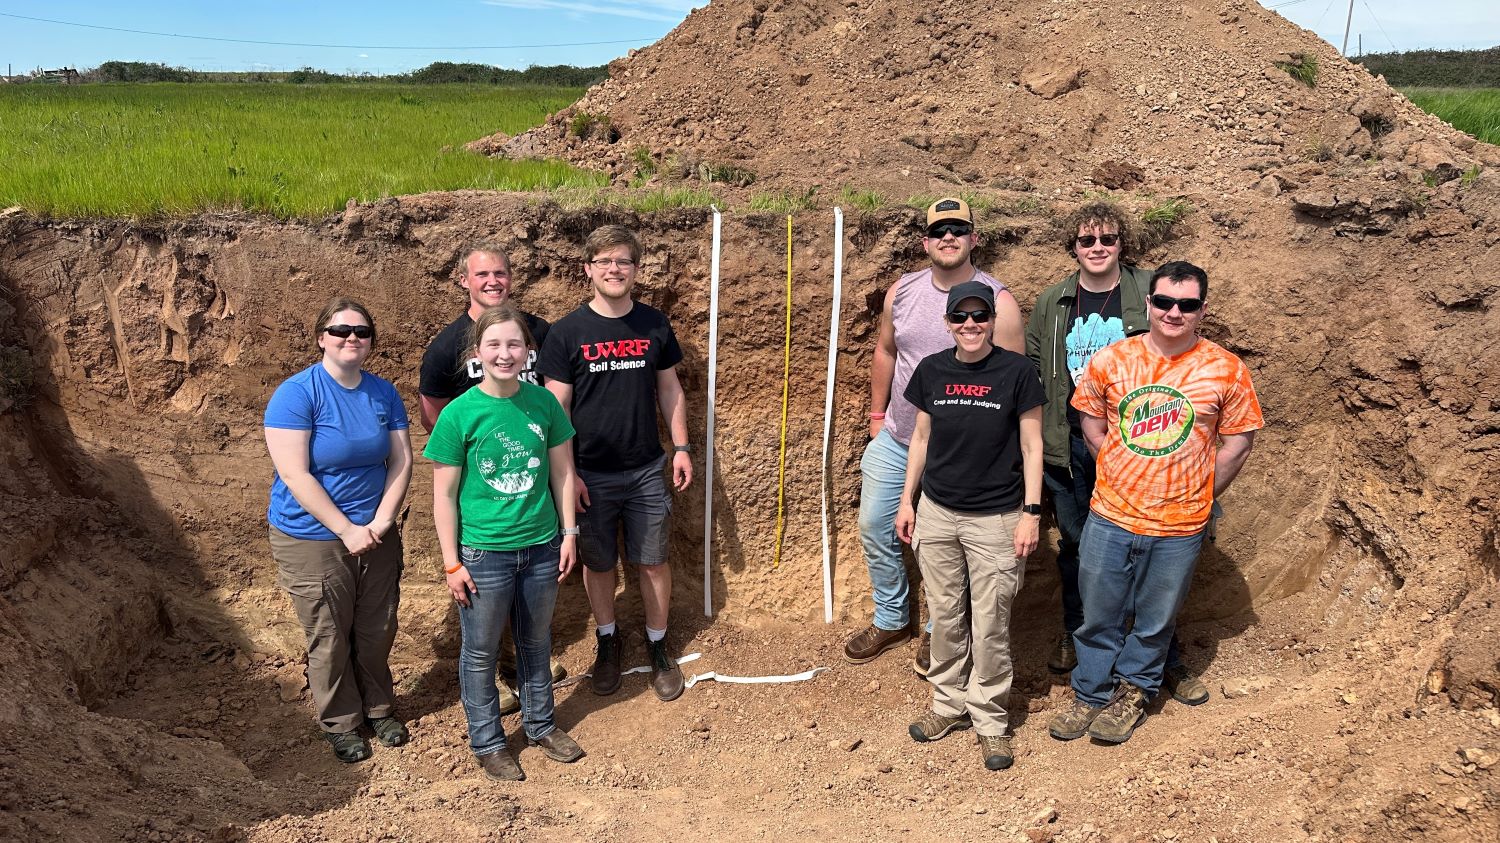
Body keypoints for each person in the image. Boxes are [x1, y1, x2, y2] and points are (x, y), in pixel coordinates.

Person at [1048, 261, 1262, 745]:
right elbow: (1091, 422)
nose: (1173, 312)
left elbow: (1239, 442)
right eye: (1164, 301)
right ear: (1148, 303)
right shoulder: (1112, 361)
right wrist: (1122, 470)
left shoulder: (1225, 368)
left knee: (1154, 619)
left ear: (1201, 311)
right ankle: (1090, 692)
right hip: (1111, 516)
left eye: (1186, 305)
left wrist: (1203, 494)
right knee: (1098, 612)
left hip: (1180, 523)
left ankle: (1135, 691)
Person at [1024, 203, 1203, 703]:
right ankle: (1079, 635)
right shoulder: (1053, 300)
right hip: (1072, 445)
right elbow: (1038, 366)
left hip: (1143, 445)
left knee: (1154, 554)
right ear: (1074, 248)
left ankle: (1163, 655)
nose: (1097, 247)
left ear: (1122, 243)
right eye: (1086, 240)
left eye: (1107, 238)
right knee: (1080, 550)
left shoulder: (1152, 291)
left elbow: (1184, 349)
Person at [846, 197, 1025, 675]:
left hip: (964, 454)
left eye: (958, 229)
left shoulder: (998, 302)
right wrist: (878, 417)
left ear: (974, 238)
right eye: (939, 230)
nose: (949, 237)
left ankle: (937, 632)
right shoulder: (901, 292)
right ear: (926, 241)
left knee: (948, 545)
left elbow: (1014, 381)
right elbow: (886, 352)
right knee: (875, 527)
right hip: (902, 438)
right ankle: (892, 617)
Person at [426, 304, 583, 782]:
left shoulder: (544, 404)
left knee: (536, 643)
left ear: (527, 351)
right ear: (478, 353)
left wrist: (569, 532)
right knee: (480, 652)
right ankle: (489, 742)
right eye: (494, 344)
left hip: (540, 546)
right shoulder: (459, 414)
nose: (505, 353)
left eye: (514, 344)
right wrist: (452, 563)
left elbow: (562, 473)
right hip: (483, 553)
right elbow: (444, 496)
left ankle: (541, 725)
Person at [539, 224, 693, 702]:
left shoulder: (653, 324)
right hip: (590, 475)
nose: (613, 269)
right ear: (587, 270)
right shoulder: (566, 333)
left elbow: (669, 388)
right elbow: (555, 409)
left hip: (647, 467)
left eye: (623, 261)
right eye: (604, 261)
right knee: (599, 563)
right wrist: (569, 475)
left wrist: (682, 447)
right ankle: (608, 641)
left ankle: (658, 645)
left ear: (636, 269)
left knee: (652, 561)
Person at [895, 281, 1044, 771]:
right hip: (937, 512)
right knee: (944, 613)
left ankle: (991, 719)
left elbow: (1031, 447)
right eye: (961, 317)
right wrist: (907, 501)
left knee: (991, 622)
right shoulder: (932, 369)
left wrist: (1031, 513)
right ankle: (948, 705)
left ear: (992, 321)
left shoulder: (1018, 371)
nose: (971, 325)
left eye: (980, 316)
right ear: (948, 323)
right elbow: (920, 439)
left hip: (997, 519)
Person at [263, 297, 413, 764]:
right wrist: (347, 529)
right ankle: (341, 721)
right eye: (341, 330)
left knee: (376, 627)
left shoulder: (383, 393)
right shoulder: (297, 393)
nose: (352, 338)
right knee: (328, 632)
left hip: (376, 532)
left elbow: (402, 460)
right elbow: (295, 474)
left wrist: (383, 521)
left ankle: (379, 708)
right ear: (321, 338)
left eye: (362, 332)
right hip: (312, 536)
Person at [418, 243, 565, 709]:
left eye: (500, 273)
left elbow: (556, 409)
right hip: (482, 489)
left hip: (534, 481)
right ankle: (495, 690)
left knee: (527, 609)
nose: (492, 281)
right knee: (485, 603)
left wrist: (560, 470)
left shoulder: (538, 330)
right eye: (482, 275)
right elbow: (434, 414)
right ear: (465, 280)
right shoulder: (445, 347)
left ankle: (522, 676)